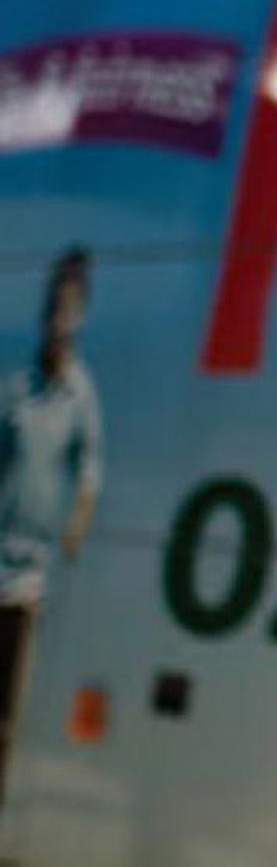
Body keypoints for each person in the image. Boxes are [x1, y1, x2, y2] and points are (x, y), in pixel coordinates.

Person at [0, 246, 102, 805]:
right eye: (54, 305)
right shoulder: (18, 388)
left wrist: (78, 523)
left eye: (71, 307)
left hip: (32, 579)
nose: (59, 318)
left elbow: (90, 466)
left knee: (7, 713)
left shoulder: (80, 396)